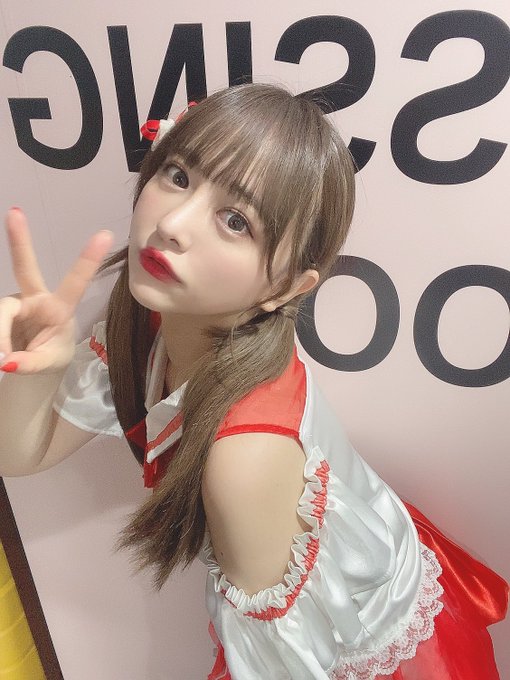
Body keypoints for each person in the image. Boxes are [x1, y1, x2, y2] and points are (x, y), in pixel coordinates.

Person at [0, 83, 508, 680]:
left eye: (236, 220)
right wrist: (36, 371)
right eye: (178, 175)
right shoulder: (146, 328)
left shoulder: (243, 458)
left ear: (286, 288)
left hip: (367, 653)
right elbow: (24, 455)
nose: (173, 224)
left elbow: (287, 665)